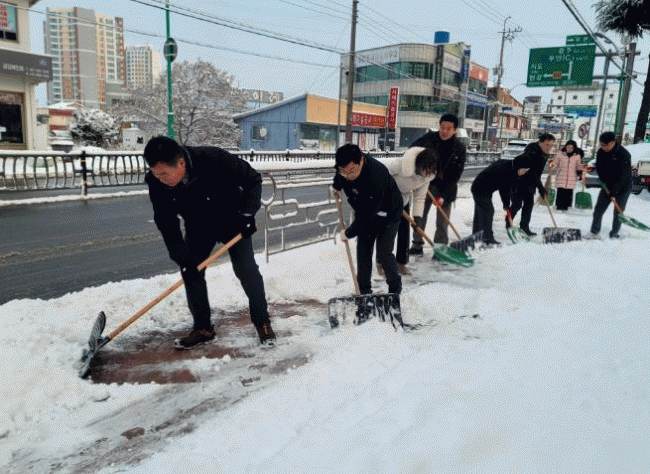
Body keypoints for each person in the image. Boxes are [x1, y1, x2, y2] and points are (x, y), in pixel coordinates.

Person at [143, 136, 276, 349]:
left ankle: (263, 322)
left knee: (246, 270)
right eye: (155, 174)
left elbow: (253, 179)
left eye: (164, 174)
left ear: (181, 163)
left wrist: (247, 215)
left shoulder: (213, 158)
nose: (160, 179)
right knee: (191, 273)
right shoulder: (156, 182)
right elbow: (166, 221)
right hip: (198, 227)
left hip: (233, 221)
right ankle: (203, 328)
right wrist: (182, 258)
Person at [333, 144, 403, 295]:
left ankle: (394, 289)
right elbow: (339, 175)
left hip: (389, 212)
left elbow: (367, 214)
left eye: (352, 171)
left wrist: (349, 233)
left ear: (361, 161)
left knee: (384, 253)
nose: (348, 176)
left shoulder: (376, 173)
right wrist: (337, 186)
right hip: (366, 210)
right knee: (363, 252)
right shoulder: (344, 171)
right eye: (344, 172)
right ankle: (364, 291)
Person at [408, 113, 467, 254]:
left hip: (447, 186)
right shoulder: (428, 139)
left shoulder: (459, 148)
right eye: (442, 127)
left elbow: (456, 175)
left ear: (455, 130)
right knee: (420, 215)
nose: (444, 131)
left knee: (442, 221)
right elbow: (411, 151)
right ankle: (417, 244)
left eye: (448, 129)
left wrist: (444, 196)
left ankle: (440, 248)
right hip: (427, 183)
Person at [380, 146, 437, 275]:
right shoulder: (401, 165)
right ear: (419, 164)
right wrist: (388, 194)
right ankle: (381, 262)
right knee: (387, 231)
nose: (427, 172)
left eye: (430, 170)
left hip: (403, 200)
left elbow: (419, 197)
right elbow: (383, 174)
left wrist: (417, 219)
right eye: (426, 169)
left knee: (404, 231)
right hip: (387, 197)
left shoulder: (426, 177)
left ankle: (401, 263)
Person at [471, 158, 530, 245]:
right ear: (519, 167)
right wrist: (506, 205)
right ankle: (487, 239)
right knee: (488, 211)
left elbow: (508, 187)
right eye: (523, 170)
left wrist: (506, 205)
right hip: (480, 187)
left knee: (480, 212)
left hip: (485, 188)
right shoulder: (507, 170)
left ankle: (476, 236)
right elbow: (504, 189)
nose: (524, 172)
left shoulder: (511, 167)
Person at [509, 133, 554, 236]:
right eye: (547, 144)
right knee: (517, 204)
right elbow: (531, 170)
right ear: (540, 143)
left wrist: (540, 188)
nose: (549, 147)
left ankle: (524, 227)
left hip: (530, 183)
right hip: (518, 182)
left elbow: (536, 174)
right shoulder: (532, 152)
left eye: (551, 145)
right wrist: (541, 188)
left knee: (528, 205)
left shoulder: (543, 154)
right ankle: (508, 222)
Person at [589, 131, 633, 238]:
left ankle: (614, 233)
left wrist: (614, 190)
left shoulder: (624, 154)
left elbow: (623, 175)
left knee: (618, 212)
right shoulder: (600, 152)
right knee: (598, 210)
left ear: (613, 142)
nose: (604, 147)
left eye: (606, 145)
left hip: (623, 187)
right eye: (602, 144)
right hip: (607, 185)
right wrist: (603, 181)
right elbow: (600, 168)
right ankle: (594, 232)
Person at [551, 140, 584, 211]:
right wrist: (552, 164)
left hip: (571, 178)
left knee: (568, 193)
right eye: (568, 147)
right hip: (561, 177)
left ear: (574, 148)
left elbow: (578, 166)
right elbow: (556, 163)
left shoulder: (577, 156)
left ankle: (567, 208)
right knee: (560, 192)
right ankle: (559, 207)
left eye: (571, 147)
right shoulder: (560, 154)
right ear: (565, 147)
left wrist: (582, 168)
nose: (569, 149)